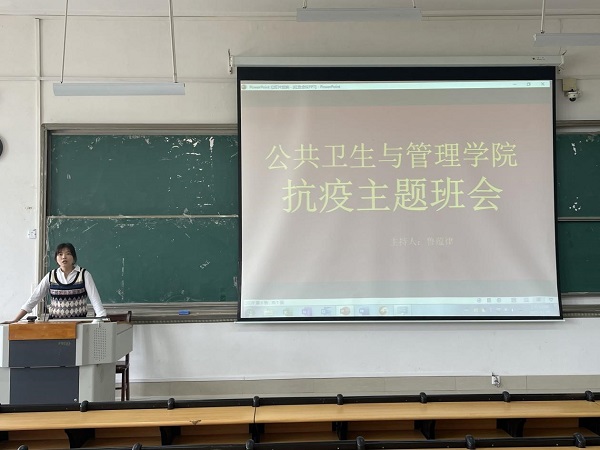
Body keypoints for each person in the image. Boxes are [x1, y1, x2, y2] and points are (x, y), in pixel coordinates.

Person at [4, 243, 106, 323]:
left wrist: (100, 318)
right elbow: (33, 299)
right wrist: (15, 320)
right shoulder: (50, 276)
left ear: (73, 257)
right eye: (60, 254)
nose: (64, 257)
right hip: (55, 325)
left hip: (79, 326)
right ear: (56, 258)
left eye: (68, 253)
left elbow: (95, 301)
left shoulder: (84, 275)